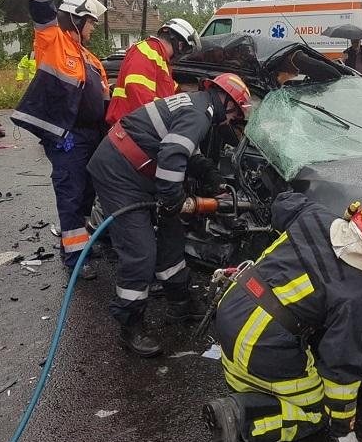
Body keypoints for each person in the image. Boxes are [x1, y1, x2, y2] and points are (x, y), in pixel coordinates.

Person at [204, 191, 362, 442]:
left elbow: (282, 202)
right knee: (314, 410)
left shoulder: (315, 215)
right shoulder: (354, 296)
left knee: (259, 374)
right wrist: (342, 428)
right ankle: (240, 420)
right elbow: (341, 368)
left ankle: (250, 390)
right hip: (259, 342)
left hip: (232, 306)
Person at [87, 74, 252, 357]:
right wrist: (173, 200)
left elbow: (186, 150)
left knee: (172, 235)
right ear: (226, 101)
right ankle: (130, 325)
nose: (232, 119)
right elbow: (173, 153)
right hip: (118, 173)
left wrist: (209, 175)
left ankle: (180, 302)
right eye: (235, 113)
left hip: (138, 171)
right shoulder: (200, 113)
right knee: (140, 251)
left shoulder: (198, 105)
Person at [11, 0, 109, 281]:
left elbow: (105, 100)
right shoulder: (52, 41)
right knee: (70, 194)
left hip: (92, 137)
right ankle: (75, 258)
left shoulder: (91, 59)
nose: (93, 28)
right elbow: (41, 6)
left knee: (86, 193)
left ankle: (82, 244)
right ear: (76, 20)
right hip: (67, 138)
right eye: (91, 22)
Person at [105, 18, 201, 124]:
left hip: (139, 125)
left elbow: (171, 91)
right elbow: (138, 92)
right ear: (181, 45)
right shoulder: (147, 50)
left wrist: (195, 97)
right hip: (132, 126)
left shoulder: (161, 60)